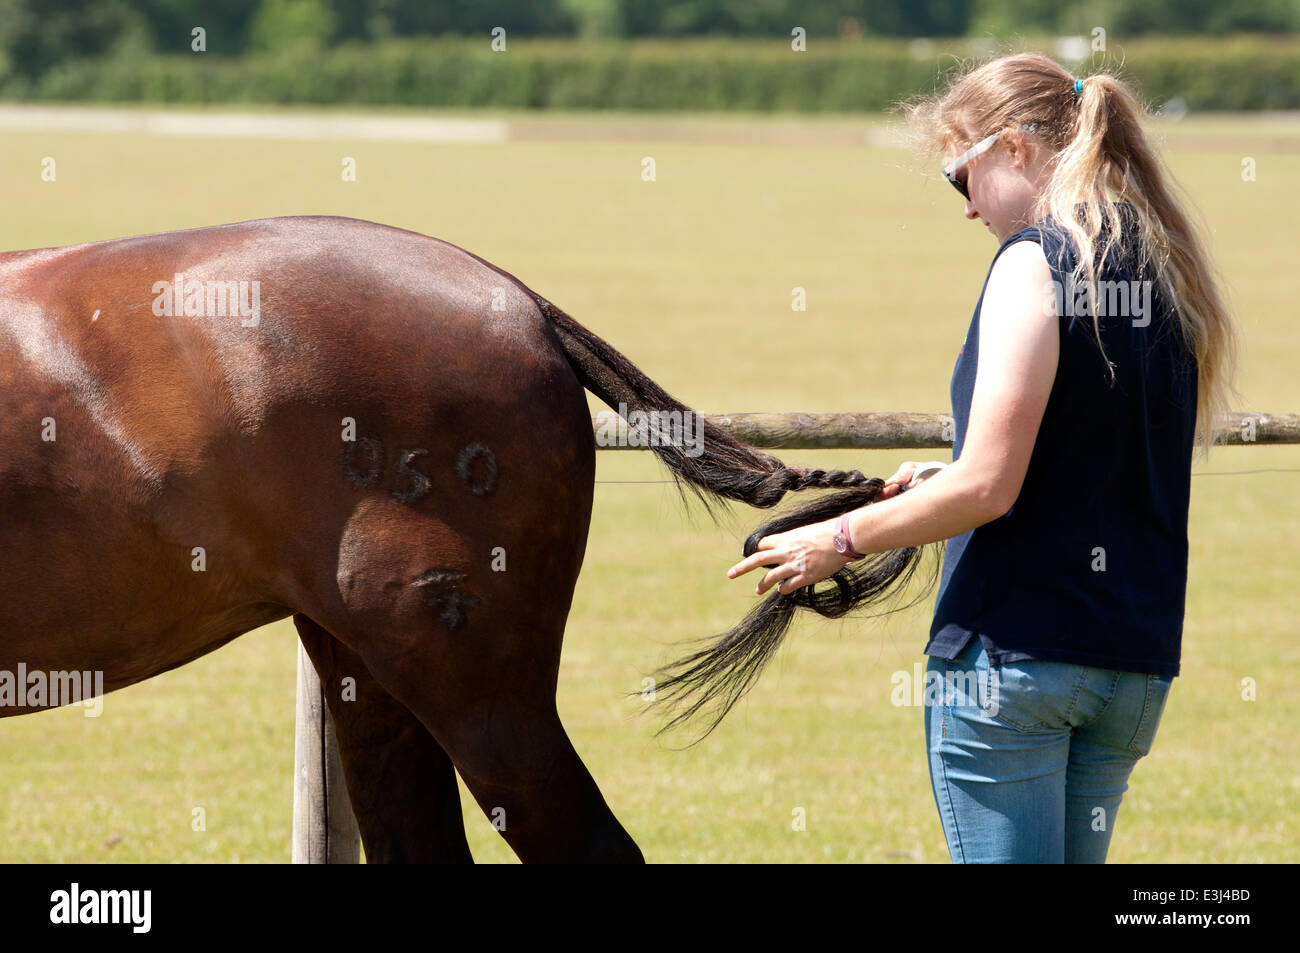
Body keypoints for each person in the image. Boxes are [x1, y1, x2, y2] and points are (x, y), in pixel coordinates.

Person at [725, 52, 1239, 863]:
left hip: (1013, 663)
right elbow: (1081, 459)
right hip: (1132, 667)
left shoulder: (1034, 262)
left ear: (1013, 148)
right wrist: (945, 477)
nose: (966, 211)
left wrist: (840, 539)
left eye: (958, 179)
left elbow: (991, 486)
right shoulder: (1165, 271)